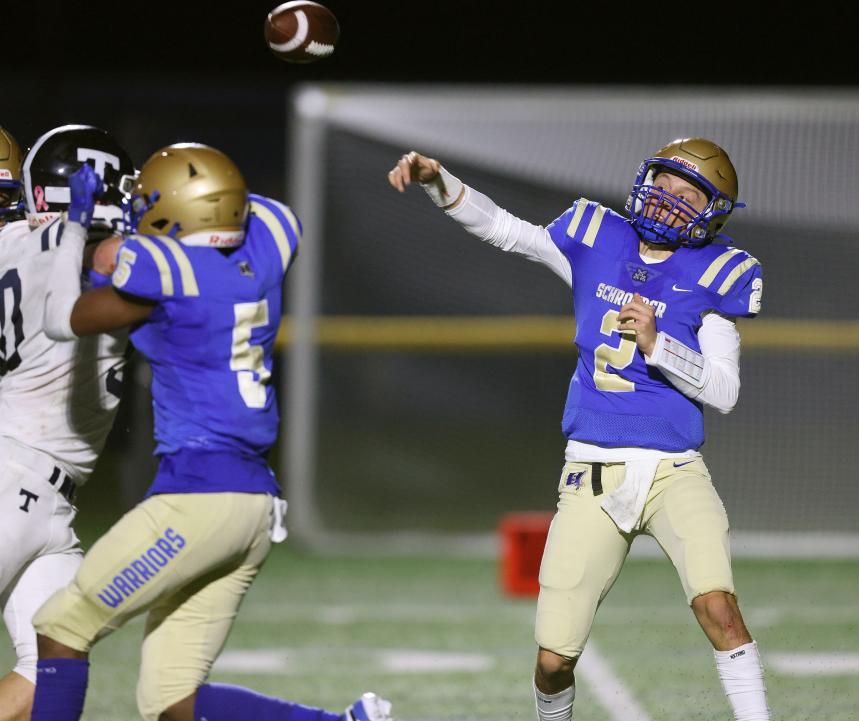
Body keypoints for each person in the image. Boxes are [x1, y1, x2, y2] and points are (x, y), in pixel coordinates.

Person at [388, 138, 770, 721]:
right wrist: (440, 184)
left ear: (711, 211)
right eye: (662, 185)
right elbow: (506, 230)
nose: (667, 200)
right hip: (592, 468)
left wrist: (658, 344)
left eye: (686, 194)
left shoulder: (720, 272)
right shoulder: (597, 237)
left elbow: (724, 391)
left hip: (674, 471)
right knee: (552, 660)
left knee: (718, 608)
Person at [33, 144, 393, 721]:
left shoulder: (166, 272)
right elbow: (253, 213)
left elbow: (61, 317)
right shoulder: (268, 242)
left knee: (60, 626)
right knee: (170, 703)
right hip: (252, 507)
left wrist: (77, 225)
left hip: (198, 497)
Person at [0, 124, 132, 721]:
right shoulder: (93, 251)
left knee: (54, 658)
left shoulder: (15, 243)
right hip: (12, 479)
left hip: (46, 503)